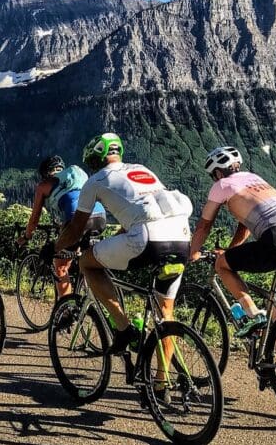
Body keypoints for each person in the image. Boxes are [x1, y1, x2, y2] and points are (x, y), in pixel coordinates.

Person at [54, 133, 194, 354]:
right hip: (183, 237)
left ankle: (124, 328)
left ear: (95, 158)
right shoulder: (142, 169)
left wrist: (53, 248)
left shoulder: (96, 180)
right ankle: (159, 384)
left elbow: (74, 230)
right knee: (165, 315)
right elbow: (147, 209)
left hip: (147, 239)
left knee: (87, 263)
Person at [189, 145, 276, 385]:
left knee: (222, 266)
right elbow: (245, 224)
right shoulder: (256, 179)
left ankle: (252, 313)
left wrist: (192, 253)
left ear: (216, 173)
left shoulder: (222, 186)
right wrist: (231, 249)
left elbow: (204, 225)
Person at [16, 155, 107, 297]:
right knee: (87, 261)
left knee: (61, 267)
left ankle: (66, 312)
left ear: (45, 173)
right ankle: (96, 300)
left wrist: (26, 236)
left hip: (77, 219)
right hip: (100, 215)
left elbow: (34, 220)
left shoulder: (44, 185)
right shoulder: (74, 176)